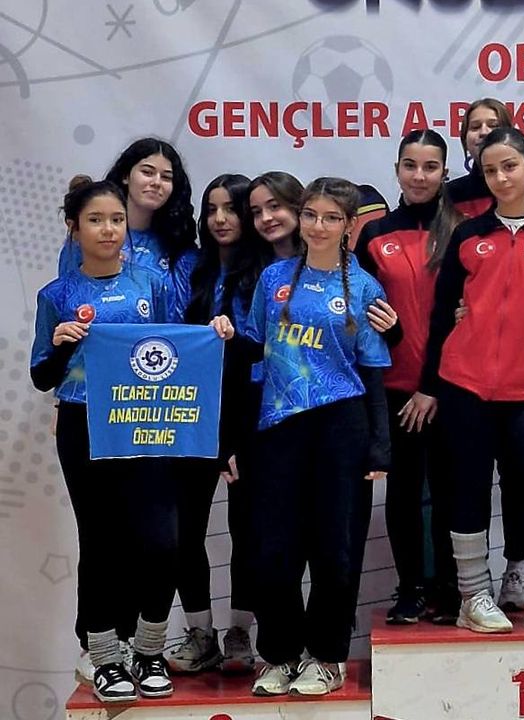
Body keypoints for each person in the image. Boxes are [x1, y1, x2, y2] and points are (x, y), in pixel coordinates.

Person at [33, 180, 233, 702]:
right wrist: (61, 345)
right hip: (85, 424)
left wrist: (214, 332)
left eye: (117, 220)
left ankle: (148, 650)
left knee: (163, 542)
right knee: (101, 543)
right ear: (74, 228)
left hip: (145, 419)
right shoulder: (57, 295)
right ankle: (105, 658)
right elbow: (41, 375)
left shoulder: (152, 283)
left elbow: (176, 347)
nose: (108, 230)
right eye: (96, 220)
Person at [422, 128, 524, 635]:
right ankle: (473, 598)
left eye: (509, 166)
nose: (500, 177)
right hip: (464, 386)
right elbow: (442, 314)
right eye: (490, 170)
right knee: (467, 491)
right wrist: (429, 384)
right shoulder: (469, 235)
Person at [244, 177, 392, 697]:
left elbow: (373, 371)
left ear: (349, 226)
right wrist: (238, 435)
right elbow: (254, 357)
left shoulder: (365, 287)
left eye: (332, 218)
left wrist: (380, 445)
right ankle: (280, 654)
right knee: (275, 549)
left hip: (341, 426)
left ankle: (326, 656)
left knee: (336, 547)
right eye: (311, 215)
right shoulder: (273, 278)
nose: (319, 226)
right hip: (278, 427)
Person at [355, 129, 464, 626]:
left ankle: (450, 587)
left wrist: (433, 386)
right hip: (395, 388)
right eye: (410, 165)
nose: (419, 176)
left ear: (445, 172)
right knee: (401, 494)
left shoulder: (464, 231)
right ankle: (411, 588)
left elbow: (472, 313)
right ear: (397, 169)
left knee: (450, 492)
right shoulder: (375, 235)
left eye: (430, 167)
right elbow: (363, 314)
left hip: (451, 388)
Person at [167, 174, 271, 676]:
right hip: (191, 414)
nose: (221, 219)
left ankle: (239, 632)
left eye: (231, 209)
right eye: (212, 210)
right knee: (184, 529)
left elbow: (267, 350)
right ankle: (200, 631)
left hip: (247, 416)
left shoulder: (268, 270)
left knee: (246, 529)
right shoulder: (192, 267)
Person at [60, 138, 199, 320]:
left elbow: (186, 321)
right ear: (126, 175)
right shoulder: (91, 240)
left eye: (166, 177)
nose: (156, 182)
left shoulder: (180, 248)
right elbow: (66, 302)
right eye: (147, 172)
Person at [447, 97, 513, 219]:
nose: (484, 132)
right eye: (475, 127)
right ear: (465, 140)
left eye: (493, 125)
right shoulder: (450, 195)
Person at [247, 172, 304, 260]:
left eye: (274, 206)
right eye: (257, 212)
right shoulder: (248, 264)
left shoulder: (321, 261)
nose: (265, 218)